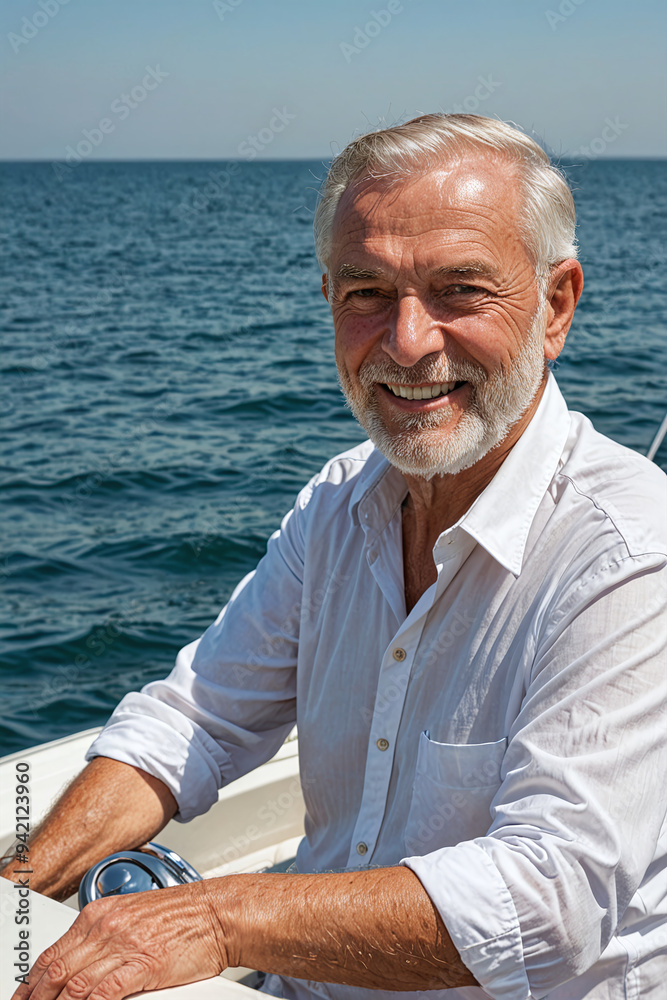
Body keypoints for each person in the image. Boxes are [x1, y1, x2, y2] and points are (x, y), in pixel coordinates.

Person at [4, 114, 667, 1000]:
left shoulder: (630, 554)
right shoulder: (341, 500)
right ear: (326, 297)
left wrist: (213, 920)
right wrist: (20, 897)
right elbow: (197, 721)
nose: (406, 341)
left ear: (554, 306)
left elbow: (545, 901)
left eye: (459, 291)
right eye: (365, 292)